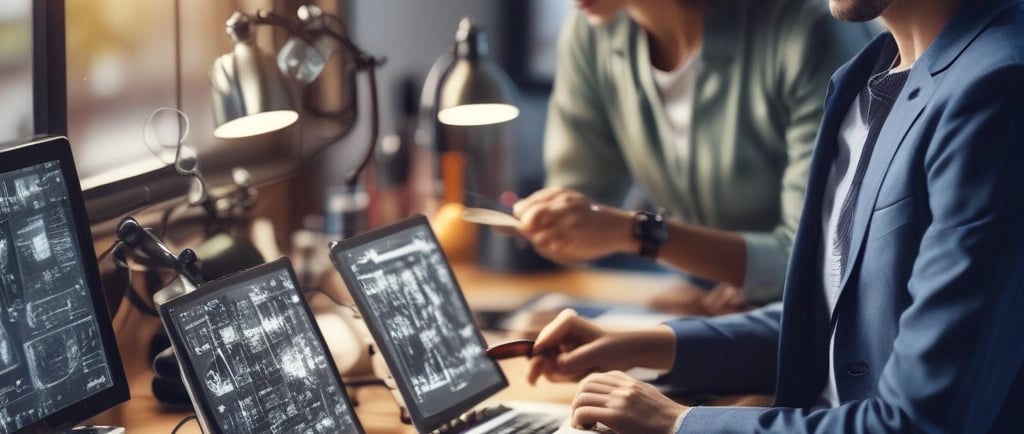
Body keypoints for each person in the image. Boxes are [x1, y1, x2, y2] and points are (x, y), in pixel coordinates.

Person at [525, 0, 1024, 431]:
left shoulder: (997, 89)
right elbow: (839, 326)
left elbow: (918, 421)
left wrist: (676, 423)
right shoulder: (866, 74)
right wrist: (638, 345)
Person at [513, 0, 875, 313]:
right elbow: (579, 214)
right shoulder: (591, 35)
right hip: (708, 316)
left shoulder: (809, 33)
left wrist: (639, 234)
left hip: (819, 334)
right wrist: (557, 224)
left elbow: (817, 259)